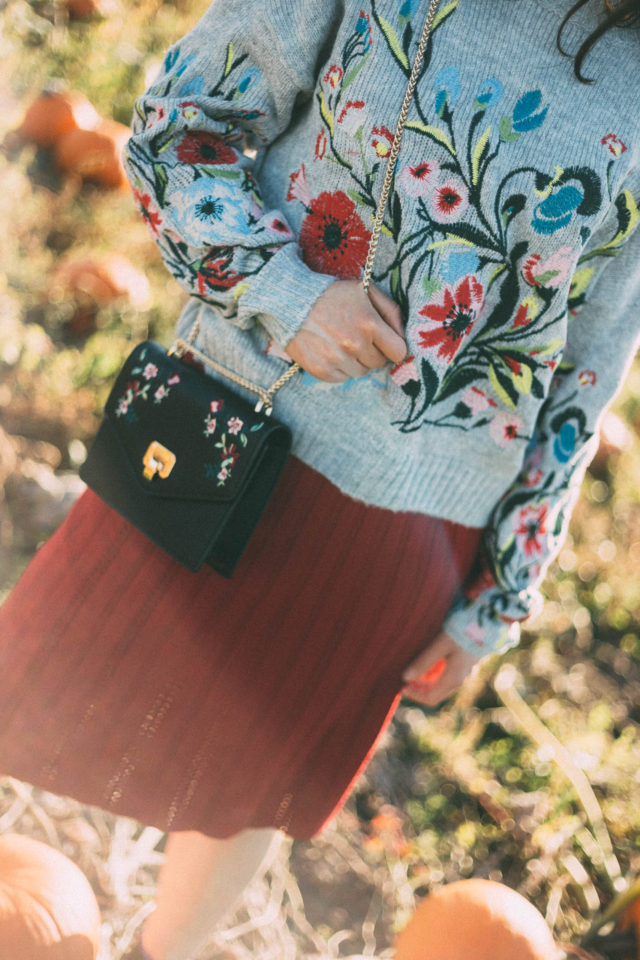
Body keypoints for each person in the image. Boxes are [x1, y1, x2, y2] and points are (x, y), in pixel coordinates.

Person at [1, 0, 639, 958]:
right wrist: (285, 290)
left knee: (249, 786)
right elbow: (181, 120)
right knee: (31, 686)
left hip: (417, 525)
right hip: (226, 428)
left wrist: (499, 602)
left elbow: (586, 375)